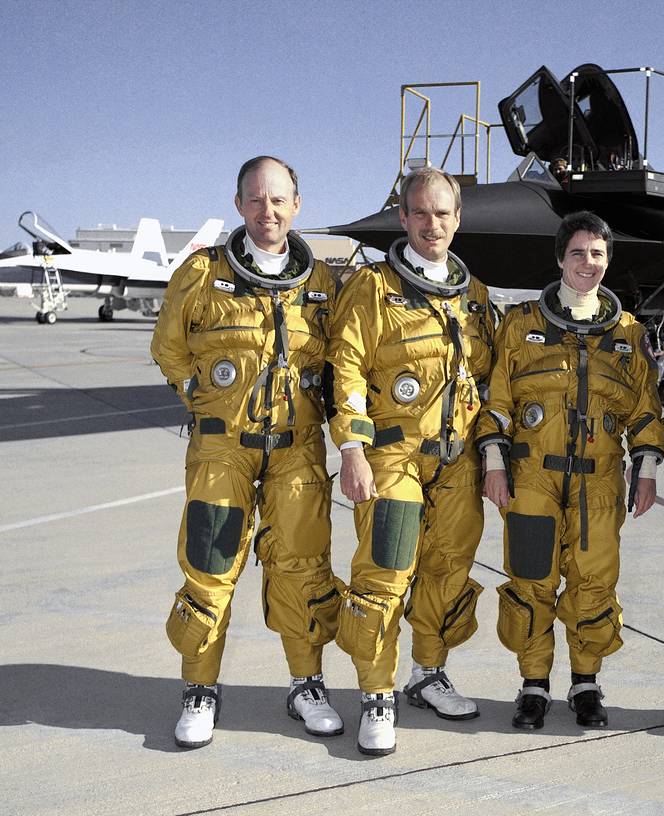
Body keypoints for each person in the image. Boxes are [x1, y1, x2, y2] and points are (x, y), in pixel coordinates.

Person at [152, 156, 344, 749]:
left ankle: (306, 685)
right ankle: (200, 690)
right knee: (209, 571)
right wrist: (201, 400)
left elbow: (344, 361)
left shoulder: (323, 285)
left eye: (279, 199)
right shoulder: (201, 274)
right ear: (239, 205)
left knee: (303, 568)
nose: (268, 211)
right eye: (256, 200)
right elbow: (168, 346)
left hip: (298, 452)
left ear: (297, 205)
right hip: (222, 451)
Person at [327, 166, 496, 756]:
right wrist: (351, 447)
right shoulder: (372, 288)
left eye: (442, 213)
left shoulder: (473, 296)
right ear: (403, 218)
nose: (432, 224)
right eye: (420, 213)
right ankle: (378, 694)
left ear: (457, 219)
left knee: (448, 569)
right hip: (391, 456)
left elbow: (487, 378)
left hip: (456, 461)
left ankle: (428, 672)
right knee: (386, 571)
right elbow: (344, 367)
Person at [480, 211, 664, 730]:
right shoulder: (521, 324)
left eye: (598, 253)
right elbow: (497, 400)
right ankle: (533, 685)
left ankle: (586, 682)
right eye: (579, 253)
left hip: (600, 483)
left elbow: (645, 409)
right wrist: (494, 464)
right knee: (531, 582)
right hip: (532, 479)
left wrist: (646, 470)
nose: (589, 263)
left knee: (593, 585)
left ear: (609, 260)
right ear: (560, 258)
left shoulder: (628, 332)